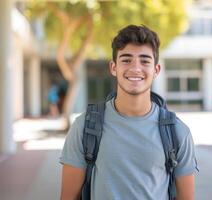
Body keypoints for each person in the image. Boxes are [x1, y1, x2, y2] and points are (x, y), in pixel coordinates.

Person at [60, 25, 198, 200]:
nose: (135, 68)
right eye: (126, 60)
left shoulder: (177, 132)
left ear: (156, 70)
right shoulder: (85, 127)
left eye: (145, 60)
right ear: (113, 67)